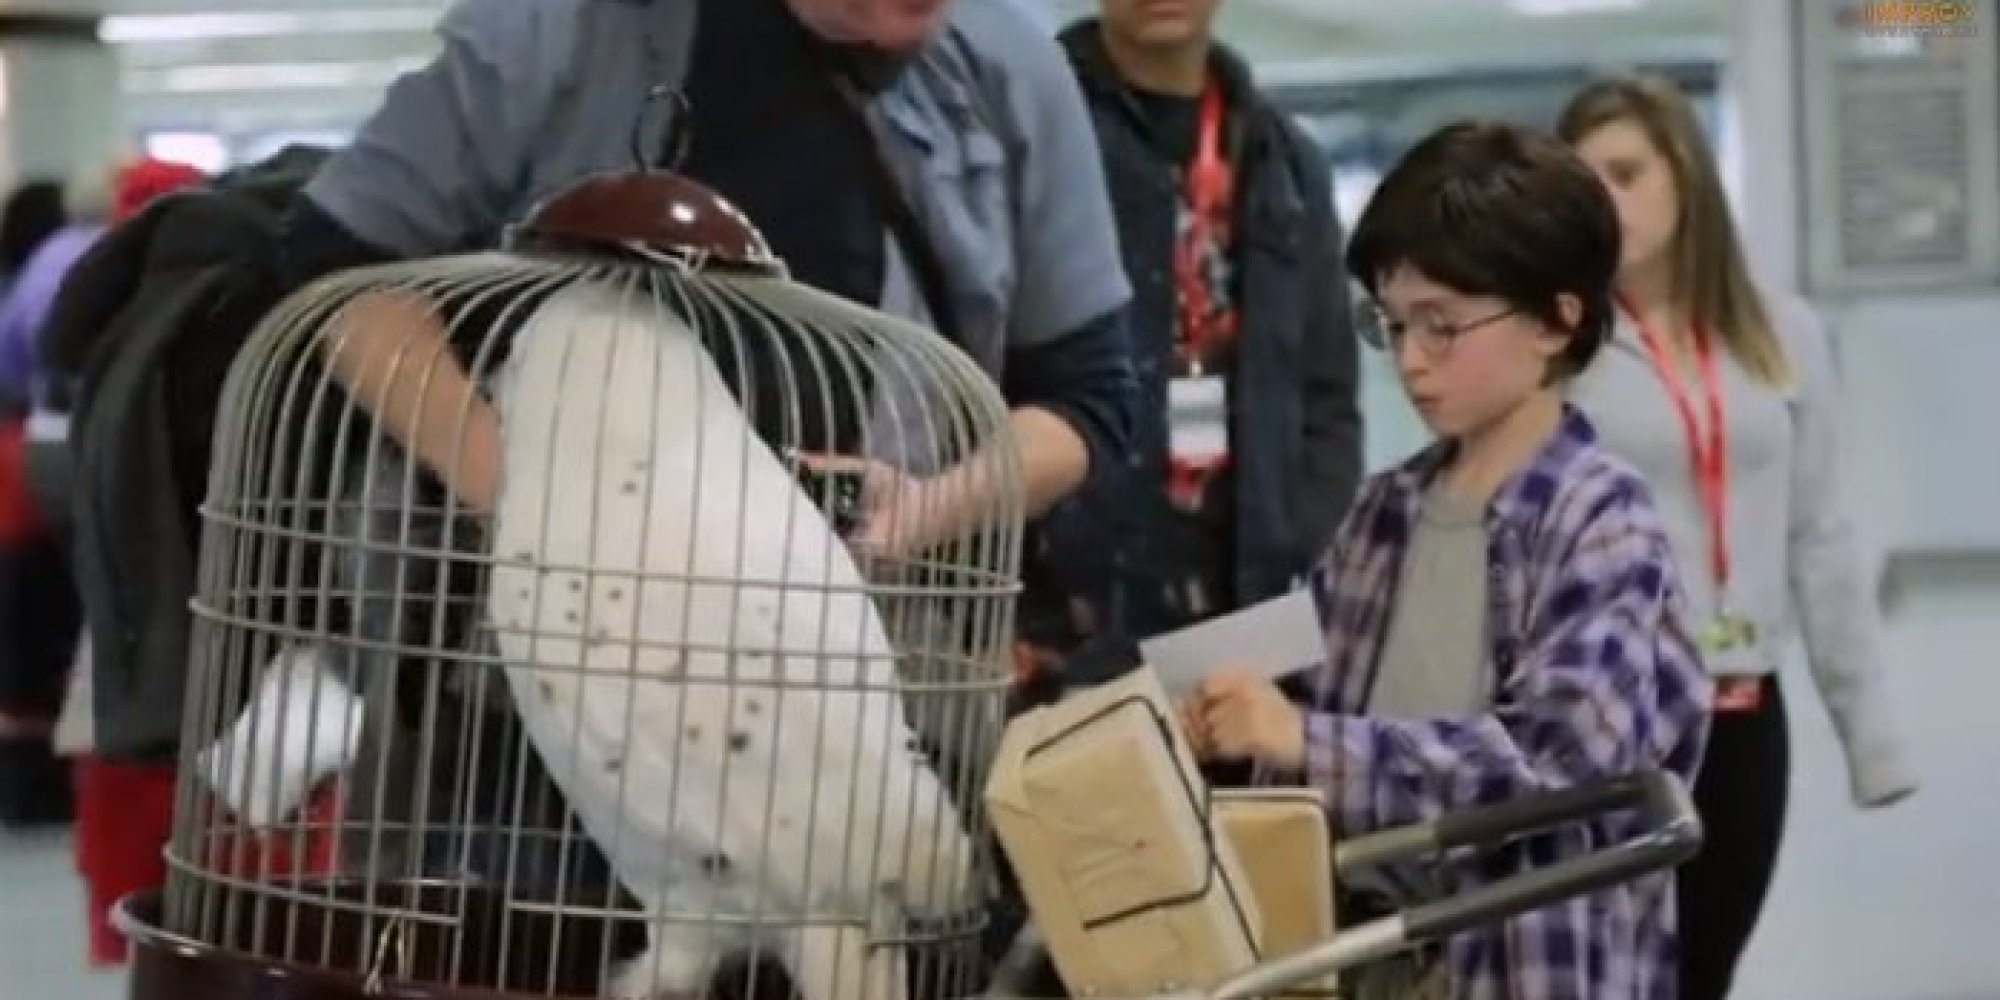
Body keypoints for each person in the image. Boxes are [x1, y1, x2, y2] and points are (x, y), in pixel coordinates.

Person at [1178, 122, 1712, 1000]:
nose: (1411, 362)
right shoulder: (1386, 511)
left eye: (1443, 326)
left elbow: (1556, 761)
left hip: (1525, 963)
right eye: (1391, 326)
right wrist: (1201, 706)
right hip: (1371, 953)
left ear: (1556, 319)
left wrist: (1303, 740)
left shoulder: (1603, 521)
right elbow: (1302, 681)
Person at [283, 0, 1136, 544]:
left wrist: (924, 513)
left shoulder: (1009, 68)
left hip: (861, 659)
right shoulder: (562, 31)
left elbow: (1087, 401)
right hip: (521, 664)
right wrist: (519, 497)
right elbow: (337, 271)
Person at [1558, 74, 1919, 1000]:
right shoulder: (1563, 344)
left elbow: (1820, 536)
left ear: (1685, 174)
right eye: (1585, 181)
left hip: (1745, 708)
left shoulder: (1779, 330)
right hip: (1615, 716)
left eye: (1627, 173)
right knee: (1616, 978)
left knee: (1704, 973)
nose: (1606, 199)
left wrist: (1871, 737)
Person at [1022, 0, 1361, 683]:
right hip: (1065, 605)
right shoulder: (1033, 125)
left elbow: (1325, 393)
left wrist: (1302, 541)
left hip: (1241, 601)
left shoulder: (1282, 159)